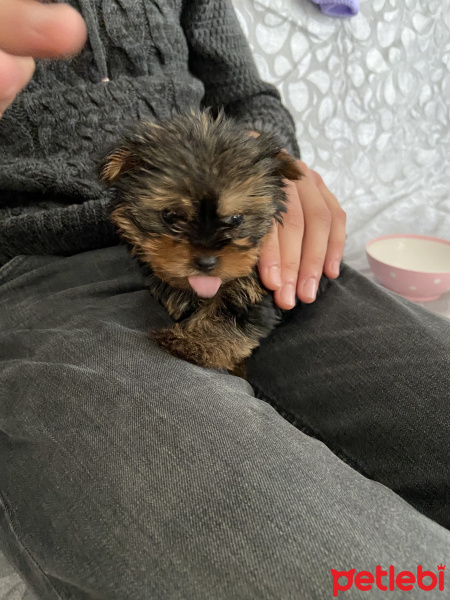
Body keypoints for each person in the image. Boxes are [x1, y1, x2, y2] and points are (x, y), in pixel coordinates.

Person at [0, 1, 448, 599]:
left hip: (255, 245)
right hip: (33, 263)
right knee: (357, 575)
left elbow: (248, 97)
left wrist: (271, 172)